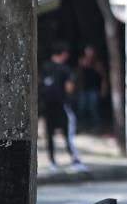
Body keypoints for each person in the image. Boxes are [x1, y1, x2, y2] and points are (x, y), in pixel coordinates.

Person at [41, 42, 85, 171]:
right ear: (64, 53)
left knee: (49, 135)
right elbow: (69, 87)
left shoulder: (45, 67)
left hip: (48, 107)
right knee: (68, 134)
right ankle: (75, 160)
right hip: (62, 106)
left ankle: (52, 162)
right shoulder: (64, 69)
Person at [76, 45, 105, 130]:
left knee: (93, 107)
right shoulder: (81, 61)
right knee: (81, 107)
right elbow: (78, 74)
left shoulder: (97, 63)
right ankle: (80, 125)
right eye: (88, 52)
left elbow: (103, 76)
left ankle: (96, 125)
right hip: (83, 88)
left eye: (91, 52)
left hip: (94, 88)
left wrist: (103, 88)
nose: (89, 54)